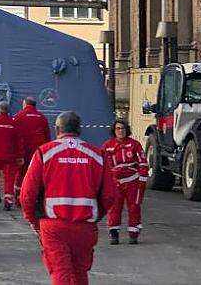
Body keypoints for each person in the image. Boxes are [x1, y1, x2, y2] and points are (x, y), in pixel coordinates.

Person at [21, 111, 115, 285]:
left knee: (60, 273)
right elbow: (109, 194)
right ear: (79, 130)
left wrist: (33, 220)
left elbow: (27, 193)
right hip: (85, 225)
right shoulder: (98, 155)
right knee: (80, 272)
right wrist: (96, 214)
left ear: (57, 129)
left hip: (53, 225)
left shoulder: (44, 152)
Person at [101, 119, 148, 245]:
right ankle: (114, 234)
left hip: (133, 181)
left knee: (134, 207)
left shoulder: (135, 145)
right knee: (114, 209)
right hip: (115, 183)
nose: (120, 131)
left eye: (122, 128)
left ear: (126, 130)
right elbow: (102, 164)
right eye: (118, 128)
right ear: (114, 130)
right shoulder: (108, 145)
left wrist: (143, 178)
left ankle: (133, 234)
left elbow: (143, 162)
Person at [13, 97, 51, 205]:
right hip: (39, 151)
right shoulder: (42, 117)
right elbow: (47, 135)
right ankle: (37, 198)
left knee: (21, 174)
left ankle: (19, 199)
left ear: (24, 105)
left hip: (23, 151)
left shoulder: (18, 117)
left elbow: (14, 136)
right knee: (37, 175)